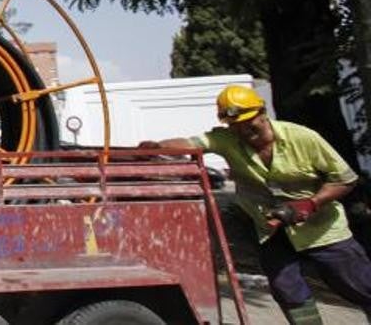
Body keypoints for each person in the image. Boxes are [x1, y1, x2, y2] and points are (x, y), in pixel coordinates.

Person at [139, 84, 371, 323]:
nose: (243, 130)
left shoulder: (303, 138)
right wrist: (157, 146)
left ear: (262, 113)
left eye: (248, 123)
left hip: (322, 230)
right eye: (235, 125)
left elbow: (345, 180)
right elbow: (192, 142)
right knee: (287, 289)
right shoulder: (227, 140)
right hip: (271, 230)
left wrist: (311, 203)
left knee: (358, 285)